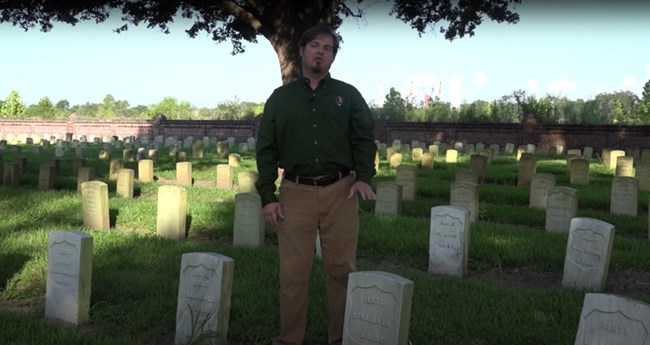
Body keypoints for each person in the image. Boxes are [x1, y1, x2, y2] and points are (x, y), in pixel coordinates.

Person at [255, 25, 377, 345]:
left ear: (333, 57)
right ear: (302, 51)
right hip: (295, 193)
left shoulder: (348, 95)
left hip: (341, 191)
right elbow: (266, 149)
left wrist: (364, 176)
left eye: (328, 48)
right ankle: (289, 339)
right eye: (314, 45)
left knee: (342, 271)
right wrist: (268, 196)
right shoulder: (281, 99)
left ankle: (340, 339)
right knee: (293, 275)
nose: (321, 52)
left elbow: (364, 138)